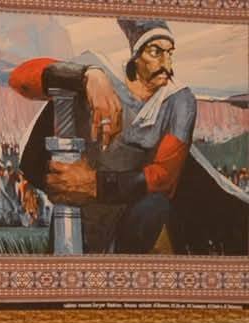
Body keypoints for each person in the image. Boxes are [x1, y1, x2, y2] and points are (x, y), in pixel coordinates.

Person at [10, 18, 200, 254]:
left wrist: (95, 184)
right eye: (156, 52)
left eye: (170, 53)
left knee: (155, 206)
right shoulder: (100, 71)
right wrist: (87, 76)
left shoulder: (179, 101)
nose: (167, 63)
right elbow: (19, 78)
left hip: (128, 212)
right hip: (77, 206)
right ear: (136, 56)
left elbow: (164, 177)